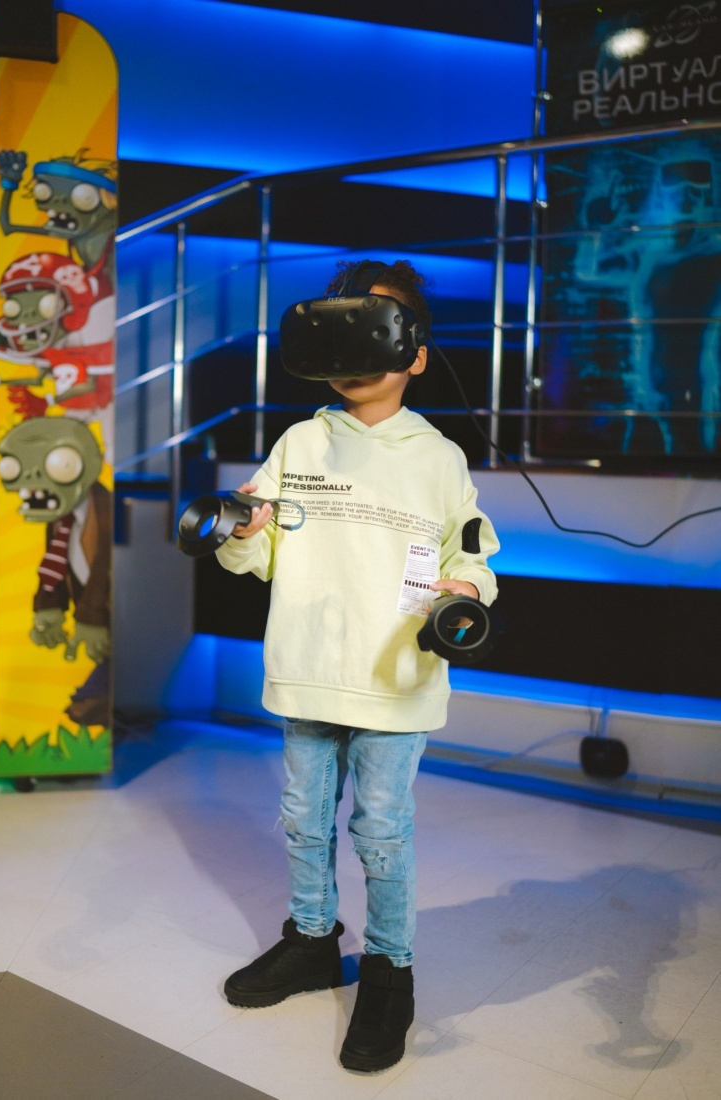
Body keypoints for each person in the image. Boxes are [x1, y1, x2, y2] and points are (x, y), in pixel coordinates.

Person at [215, 259, 499, 1072]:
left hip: (395, 678)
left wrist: (466, 584)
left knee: (382, 830)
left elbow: (475, 553)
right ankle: (311, 942)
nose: (350, 345)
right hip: (307, 668)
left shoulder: (437, 456)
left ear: (412, 353)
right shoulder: (300, 441)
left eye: (371, 326)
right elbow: (253, 554)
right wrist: (241, 532)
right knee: (305, 818)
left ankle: (389, 971)